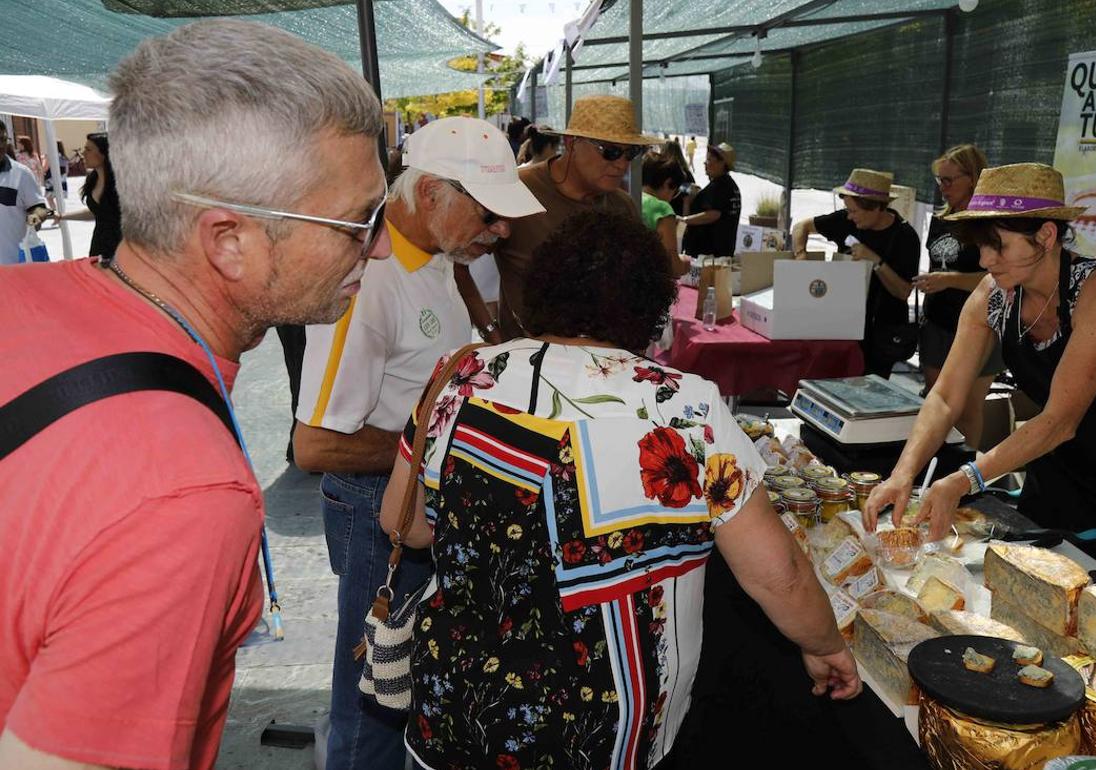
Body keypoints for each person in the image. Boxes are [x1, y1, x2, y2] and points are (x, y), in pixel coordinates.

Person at [0, 19, 393, 769]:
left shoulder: (14, 296)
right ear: (228, 242)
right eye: (360, 221)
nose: (379, 246)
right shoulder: (188, 499)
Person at [379, 210, 860, 769]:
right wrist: (824, 644)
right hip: (603, 733)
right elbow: (778, 574)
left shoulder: (460, 373)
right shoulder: (686, 408)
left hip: (454, 711)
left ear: (543, 289)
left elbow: (403, 525)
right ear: (650, 307)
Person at [293, 116, 543, 770]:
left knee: (402, 673)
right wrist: (439, 449)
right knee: (373, 690)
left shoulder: (433, 249)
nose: (502, 230)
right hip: (376, 503)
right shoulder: (368, 284)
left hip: (410, 500)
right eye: (488, 213)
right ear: (430, 193)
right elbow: (314, 447)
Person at [864, 163, 1096, 589]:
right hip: (1074, 461)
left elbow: (1059, 421)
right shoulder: (993, 295)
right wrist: (903, 473)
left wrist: (965, 479)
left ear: (1047, 236)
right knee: (1040, 581)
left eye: (997, 245)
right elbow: (945, 396)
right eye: (981, 246)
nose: (984, 260)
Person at [480, 94, 654, 341]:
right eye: (611, 151)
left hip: (604, 358)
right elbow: (458, 262)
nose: (622, 164)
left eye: (632, 153)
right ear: (571, 143)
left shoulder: (622, 206)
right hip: (528, 358)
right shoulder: (518, 191)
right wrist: (490, 331)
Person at [791, 168, 920, 379]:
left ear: (876, 207)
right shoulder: (845, 221)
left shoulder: (905, 237)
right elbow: (800, 227)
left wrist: (875, 261)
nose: (849, 216)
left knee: (867, 391)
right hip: (842, 327)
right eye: (847, 210)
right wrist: (800, 256)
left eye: (854, 211)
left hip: (880, 335)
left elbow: (903, 291)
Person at [915, 144, 1004, 449]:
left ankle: (964, 469)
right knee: (936, 401)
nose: (942, 187)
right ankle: (933, 464)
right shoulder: (942, 218)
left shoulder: (989, 222)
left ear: (972, 178)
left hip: (980, 327)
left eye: (949, 180)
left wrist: (949, 280)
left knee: (967, 409)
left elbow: (1000, 277)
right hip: (937, 323)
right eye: (939, 180)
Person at [55, 132, 123, 259]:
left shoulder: (121, 184)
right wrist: (61, 216)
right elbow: (97, 212)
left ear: (104, 154)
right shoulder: (93, 179)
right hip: (99, 247)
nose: (83, 153)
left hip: (121, 249)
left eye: (88, 150)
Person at [678, 142, 741, 258]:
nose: (705, 163)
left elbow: (713, 214)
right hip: (717, 252)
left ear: (721, 163)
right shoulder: (729, 186)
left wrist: (684, 220)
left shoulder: (720, 187)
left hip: (709, 255)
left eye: (709, 160)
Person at [0, 137, 51, 264]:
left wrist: (36, 215)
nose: (1, 144)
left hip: (13, 263)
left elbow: (39, 208)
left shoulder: (21, 174)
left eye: (2, 139)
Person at [641, 152, 690, 275]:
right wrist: (685, 263)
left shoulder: (626, 198)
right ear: (667, 183)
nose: (672, 197)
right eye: (675, 192)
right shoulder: (662, 208)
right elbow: (672, 267)